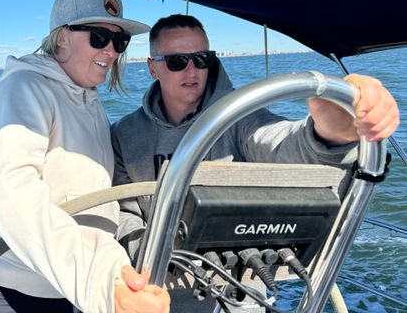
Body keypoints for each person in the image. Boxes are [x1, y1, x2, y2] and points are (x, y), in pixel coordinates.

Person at [111, 13, 400, 263]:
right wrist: (153, 257)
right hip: (154, 283)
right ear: (152, 68)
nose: (192, 70)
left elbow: (278, 142)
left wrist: (331, 130)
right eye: (177, 61)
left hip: (234, 289)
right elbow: (124, 211)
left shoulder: (238, 117)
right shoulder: (125, 134)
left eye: (201, 59)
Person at [0, 0, 170, 313]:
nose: (112, 51)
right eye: (99, 36)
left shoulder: (88, 98)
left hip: (65, 287)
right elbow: (10, 195)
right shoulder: (23, 89)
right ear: (61, 38)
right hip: (10, 292)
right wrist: (100, 286)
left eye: (120, 40)